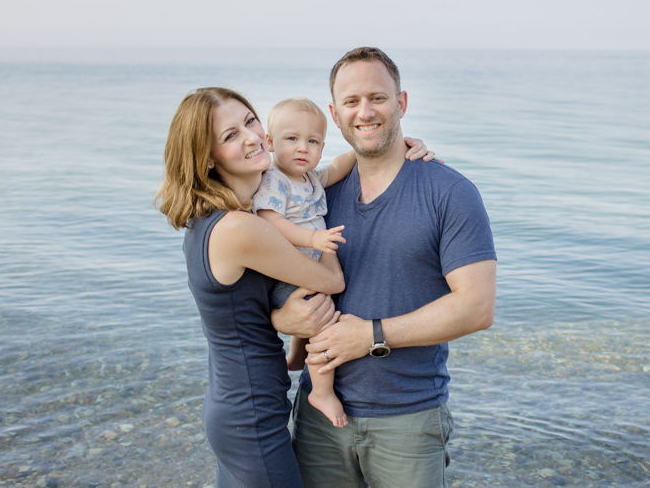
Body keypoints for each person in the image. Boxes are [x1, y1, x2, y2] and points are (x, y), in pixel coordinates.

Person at [291, 47, 498, 488]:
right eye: (351, 102)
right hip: (318, 417)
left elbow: (477, 308)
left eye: (377, 98)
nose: (364, 112)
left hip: (408, 419)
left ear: (401, 103)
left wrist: (370, 336)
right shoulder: (316, 194)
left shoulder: (450, 192)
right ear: (334, 113)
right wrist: (283, 318)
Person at [155, 87, 344, 488]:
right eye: (230, 135)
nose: (253, 137)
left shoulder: (212, 218)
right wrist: (320, 231)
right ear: (206, 157)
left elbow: (235, 310)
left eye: (250, 121)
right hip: (249, 416)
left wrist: (279, 317)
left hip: (238, 406)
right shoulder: (241, 227)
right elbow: (332, 281)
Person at [251, 97, 434, 429]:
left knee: (317, 306)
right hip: (289, 271)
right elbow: (269, 219)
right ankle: (321, 391)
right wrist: (312, 240)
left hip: (306, 270)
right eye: (291, 139)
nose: (302, 148)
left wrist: (397, 141)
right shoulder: (275, 179)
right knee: (325, 323)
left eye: (313, 141)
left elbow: (337, 167)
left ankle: (295, 355)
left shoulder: (308, 178)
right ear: (270, 142)